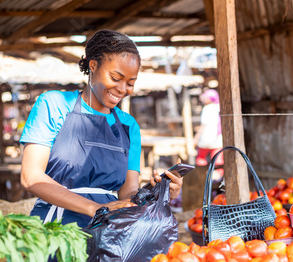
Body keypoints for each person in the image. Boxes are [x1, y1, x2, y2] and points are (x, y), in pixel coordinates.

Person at [19, 30, 183, 228]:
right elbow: (31, 177)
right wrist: (95, 208)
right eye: (115, 78)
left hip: (109, 231)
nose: (123, 89)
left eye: (131, 83)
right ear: (93, 65)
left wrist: (160, 193)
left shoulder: (129, 126)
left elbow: (128, 192)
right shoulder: (54, 104)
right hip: (55, 229)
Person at [193, 89, 224, 178]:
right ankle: (218, 178)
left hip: (207, 138)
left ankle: (203, 176)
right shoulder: (218, 107)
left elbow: (203, 126)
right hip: (217, 139)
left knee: (201, 158)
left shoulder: (207, 108)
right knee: (218, 160)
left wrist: (196, 138)